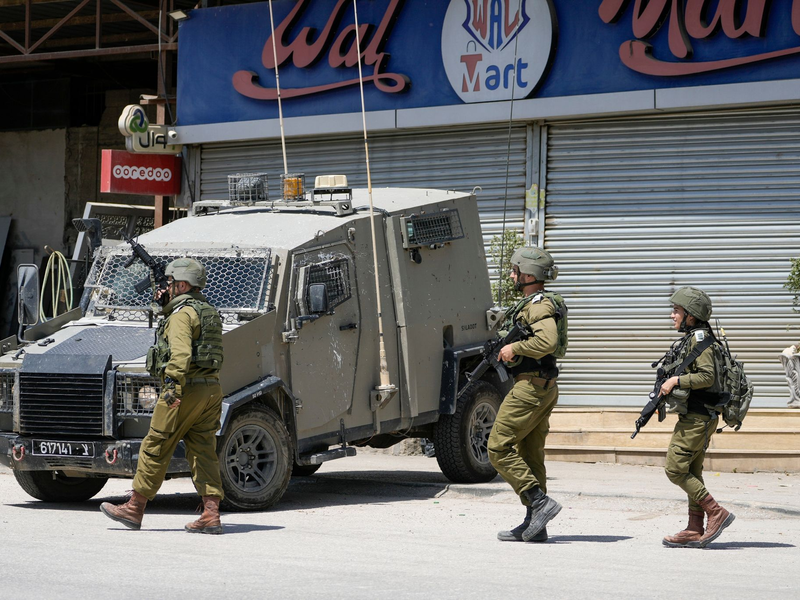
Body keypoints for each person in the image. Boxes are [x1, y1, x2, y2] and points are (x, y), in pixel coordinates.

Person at [100, 258, 225, 534]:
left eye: (170, 283)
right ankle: (211, 513)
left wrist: (171, 388)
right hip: (210, 390)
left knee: (156, 444)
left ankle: (134, 508)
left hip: (184, 389)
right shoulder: (207, 311)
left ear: (182, 285)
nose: (166, 287)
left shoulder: (182, 315)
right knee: (204, 450)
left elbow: (180, 354)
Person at [488, 247, 565, 543]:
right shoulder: (533, 303)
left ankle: (539, 502)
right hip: (543, 386)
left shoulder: (537, 304)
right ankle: (535, 523)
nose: (511, 274)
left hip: (531, 388)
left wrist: (514, 349)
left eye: (515, 270)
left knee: (497, 447)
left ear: (529, 274)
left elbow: (547, 340)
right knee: (531, 455)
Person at [660, 286, 735, 548]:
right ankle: (694, 528)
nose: (672, 315)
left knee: (674, 469)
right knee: (692, 470)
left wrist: (676, 379)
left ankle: (716, 512)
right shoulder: (695, 337)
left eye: (676, 310)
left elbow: (707, 377)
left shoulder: (700, 339)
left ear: (691, 315)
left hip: (698, 418)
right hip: (697, 416)